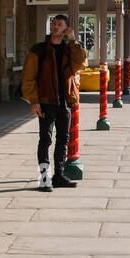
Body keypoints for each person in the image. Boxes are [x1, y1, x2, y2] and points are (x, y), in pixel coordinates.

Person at [21, 13, 87, 191]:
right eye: (54, 24)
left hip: (65, 102)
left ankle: (59, 175)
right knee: (45, 139)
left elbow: (81, 63)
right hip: (45, 101)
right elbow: (28, 78)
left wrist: (73, 39)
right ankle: (44, 178)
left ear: (65, 28)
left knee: (63, 140)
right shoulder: (38, 50)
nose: (55, 26)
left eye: (59, 24)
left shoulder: (68, 50)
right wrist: (33, 101)